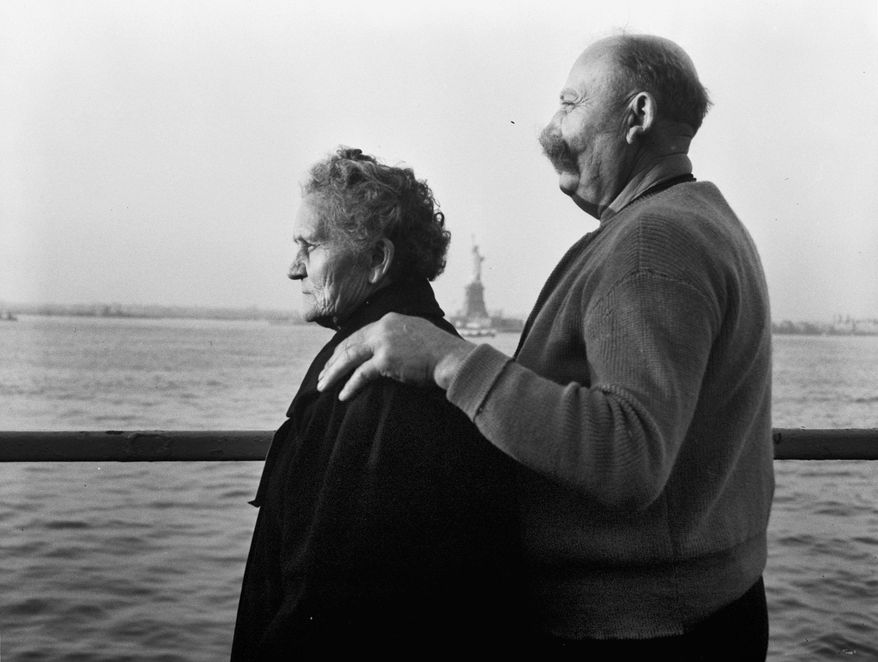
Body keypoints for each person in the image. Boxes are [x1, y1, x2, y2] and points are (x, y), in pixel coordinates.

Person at [318, 34, 775, 660]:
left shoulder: (650, 244)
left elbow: (631, 454)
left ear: (637, 116)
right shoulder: (703, 221)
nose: (550, 130)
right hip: (709, 605)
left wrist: (449, 360)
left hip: (642, 630)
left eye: (569, 104)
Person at [230, 147, 523, 660]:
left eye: (310, 246)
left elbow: (332, 604)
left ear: (378, 260)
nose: (293, 269)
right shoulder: (410, 351)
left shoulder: (376, 380)